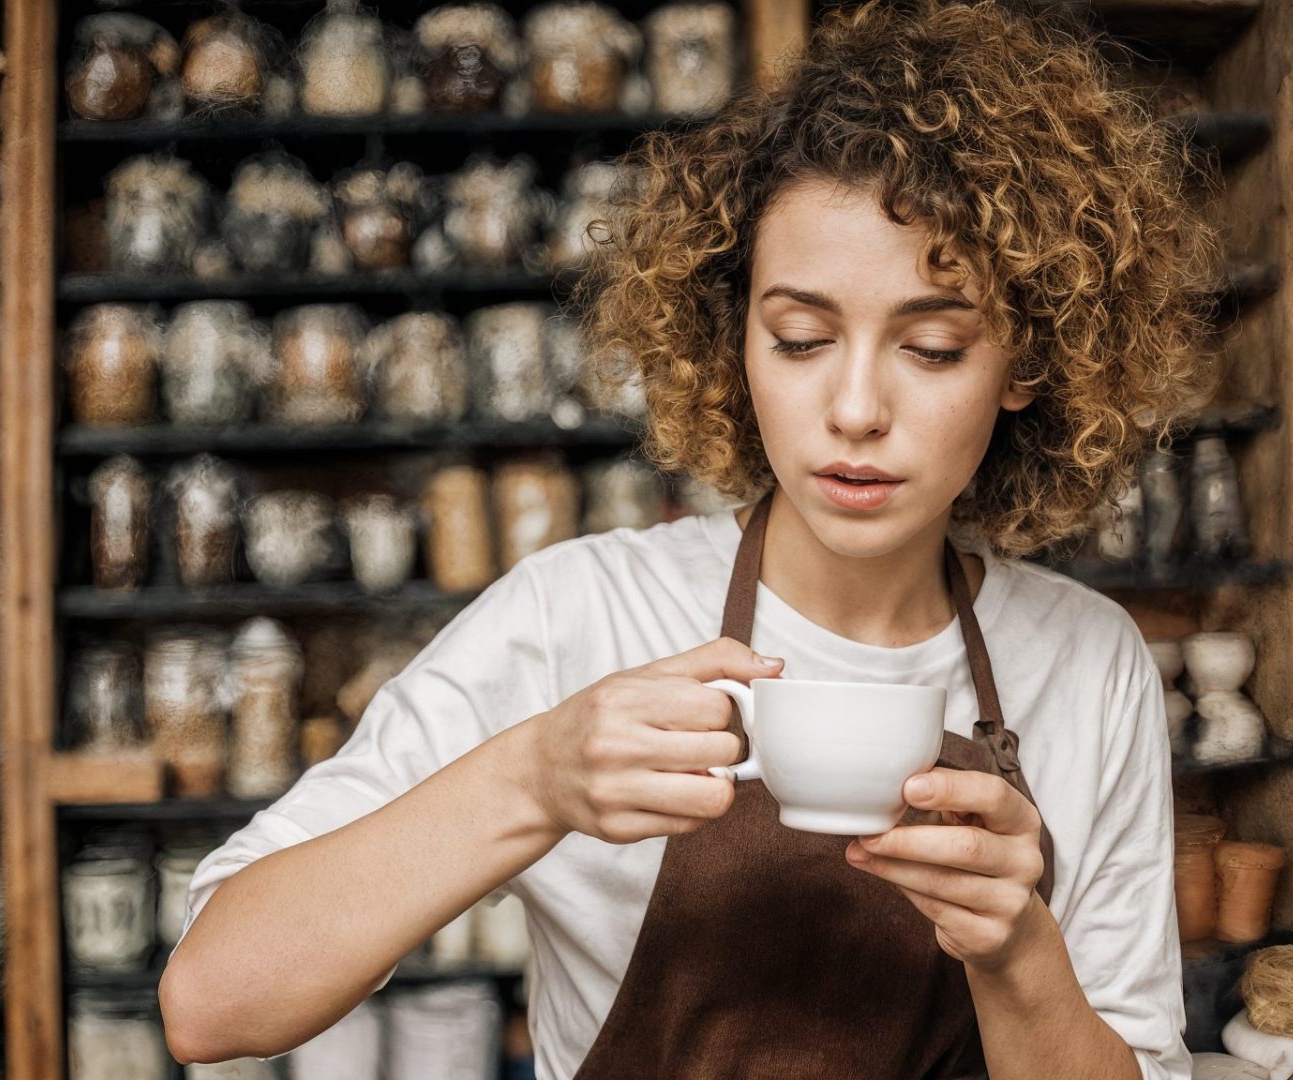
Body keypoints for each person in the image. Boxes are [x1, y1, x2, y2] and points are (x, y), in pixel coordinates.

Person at [160, 0, 1219, 1076]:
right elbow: (211, 1003)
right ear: (733, 339)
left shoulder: (1087, 663)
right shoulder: (580, 616)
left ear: (1027, 364)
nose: (856, 409)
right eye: (800, 339)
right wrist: (532, 780)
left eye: (934, 347)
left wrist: (1017, 953)